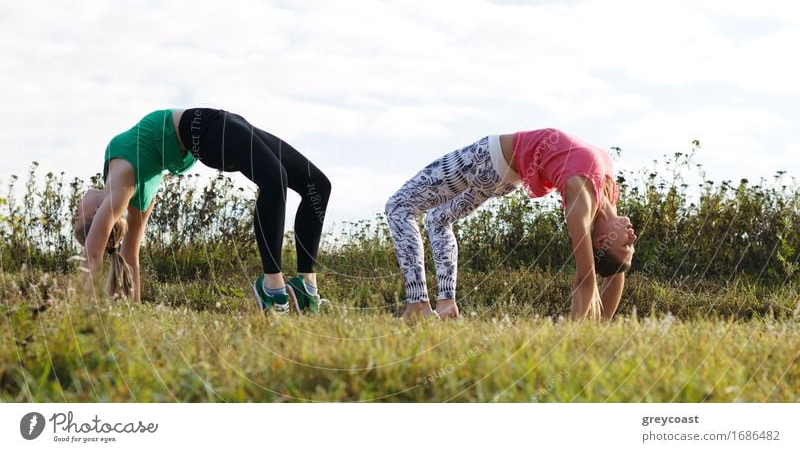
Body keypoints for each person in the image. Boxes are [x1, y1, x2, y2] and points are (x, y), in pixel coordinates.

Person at [73, 108, 331, 314]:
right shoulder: (118, 188)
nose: (74, 211)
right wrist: (79, 312)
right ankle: (273, 289)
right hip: (204, 128)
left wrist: (134, 310)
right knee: (275, 179)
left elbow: (130, 256)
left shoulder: (136, 192)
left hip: (217, 125)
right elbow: (93, 255)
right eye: (77, 219)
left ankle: (306, 286)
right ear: (97, 214)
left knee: (317, 186)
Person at [385, 128, 636, 321]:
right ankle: (446, 304)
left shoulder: (581, 202)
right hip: (504, 177)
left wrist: (577, 337)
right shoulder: (607, 196)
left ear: (603, 242)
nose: (633, 240)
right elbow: (616, 275)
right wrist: (599, 330)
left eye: (626, 246)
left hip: (487, 159)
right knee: (438, 219)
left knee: (398, 207)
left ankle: (417, 305)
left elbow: (586, 279)